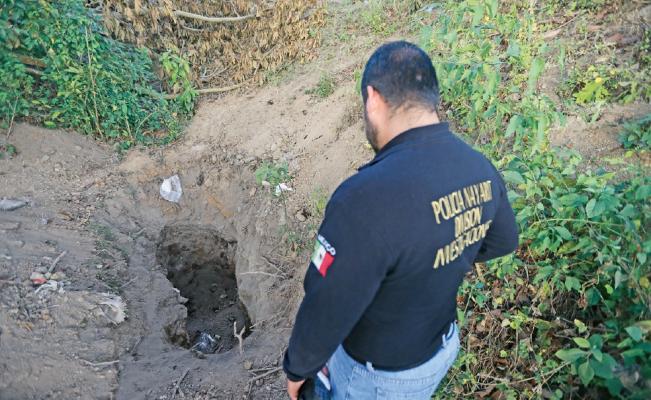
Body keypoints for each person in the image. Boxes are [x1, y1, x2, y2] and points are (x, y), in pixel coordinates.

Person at [283, 41, 519, 400]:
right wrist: (442, 253)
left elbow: (328, 302)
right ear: (431, 97)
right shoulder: (477, 166)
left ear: (373, 98)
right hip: (440, 349)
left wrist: (297, 369)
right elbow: (503, 240)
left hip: (379, 378)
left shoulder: (362, 199)